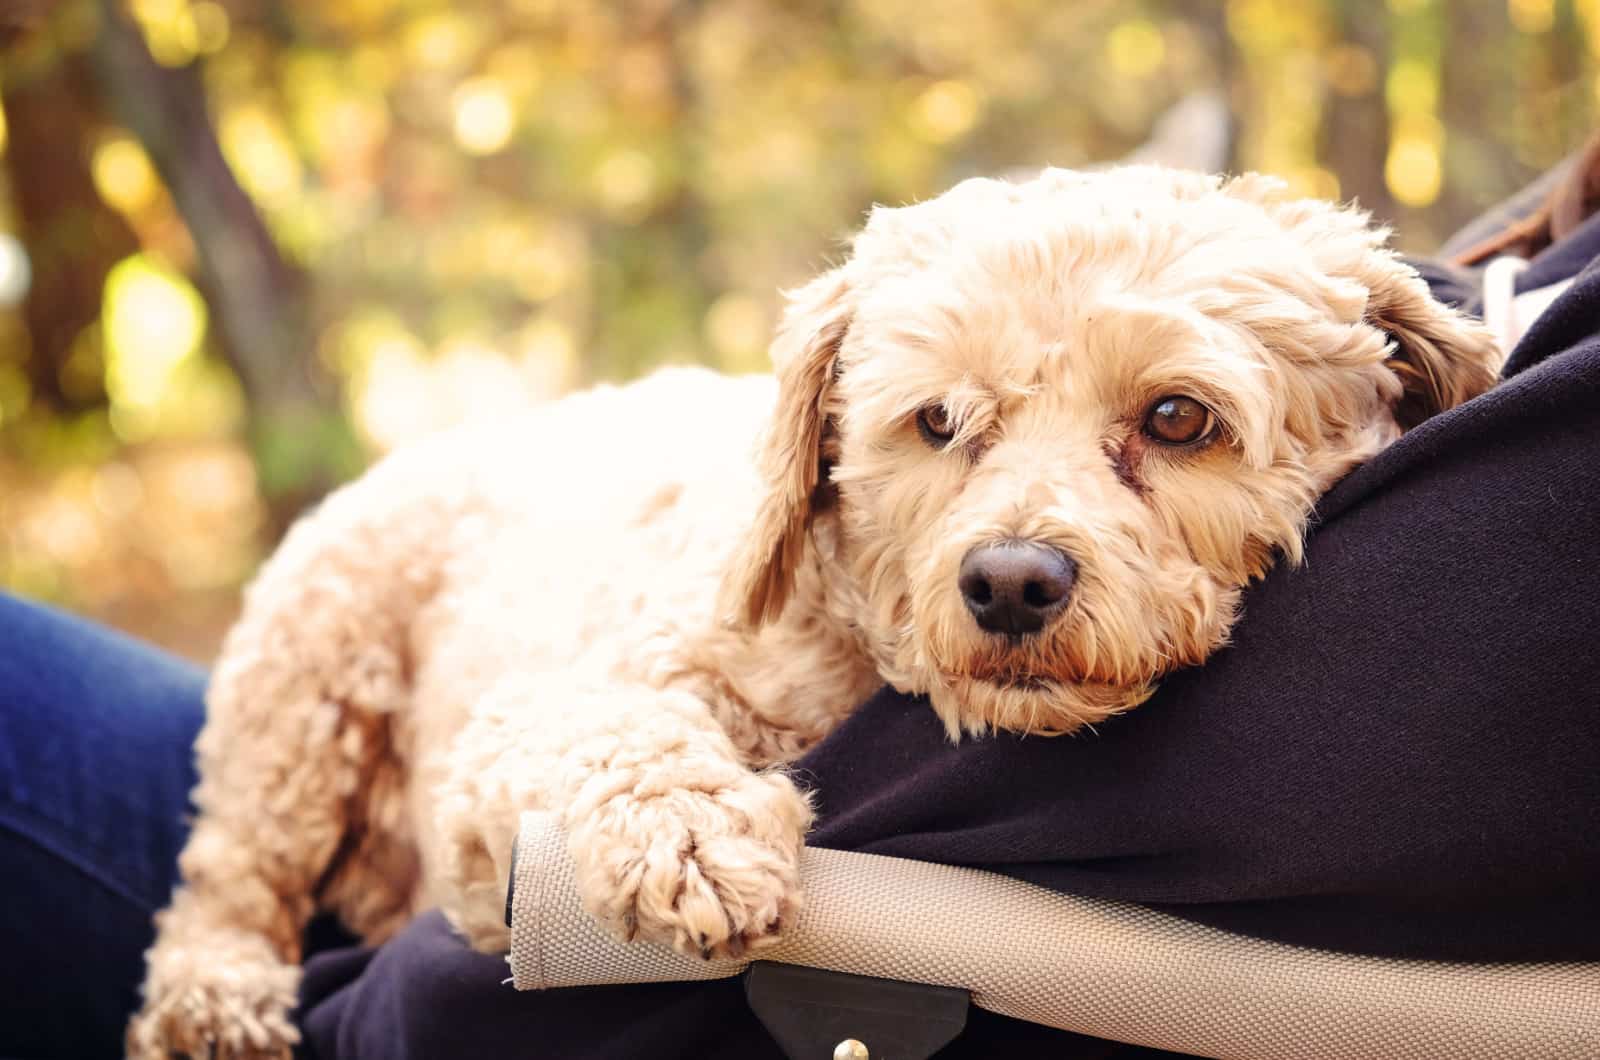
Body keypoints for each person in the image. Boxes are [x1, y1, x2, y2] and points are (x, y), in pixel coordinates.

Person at [4, 144, 1600, 1059]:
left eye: (1169, 428)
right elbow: (540, 742)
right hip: (378, 761)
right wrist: (657, 778)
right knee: (363, 546)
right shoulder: (765, 615)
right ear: (830, 459)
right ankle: (221, 913)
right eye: (940, 430)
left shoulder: (1495, 448)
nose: (1015, 545)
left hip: (427, 1003)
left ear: (1398, 406)